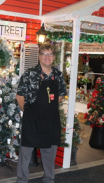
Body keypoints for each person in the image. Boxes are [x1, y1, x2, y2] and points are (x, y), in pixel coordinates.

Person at [16, 43, 67, 183]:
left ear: (54, 57)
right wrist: (27, 112)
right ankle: (22, 179)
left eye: (50, 54)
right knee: (26, 152)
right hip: (32, 118)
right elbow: (19, 96)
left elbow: (61, 95)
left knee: (49, 152)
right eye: (44, 54)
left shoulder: (58, 75)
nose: (47, 57)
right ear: (39, 56)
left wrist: (48, 108)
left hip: (51, 119)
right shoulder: (30, 73)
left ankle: (49, 179)